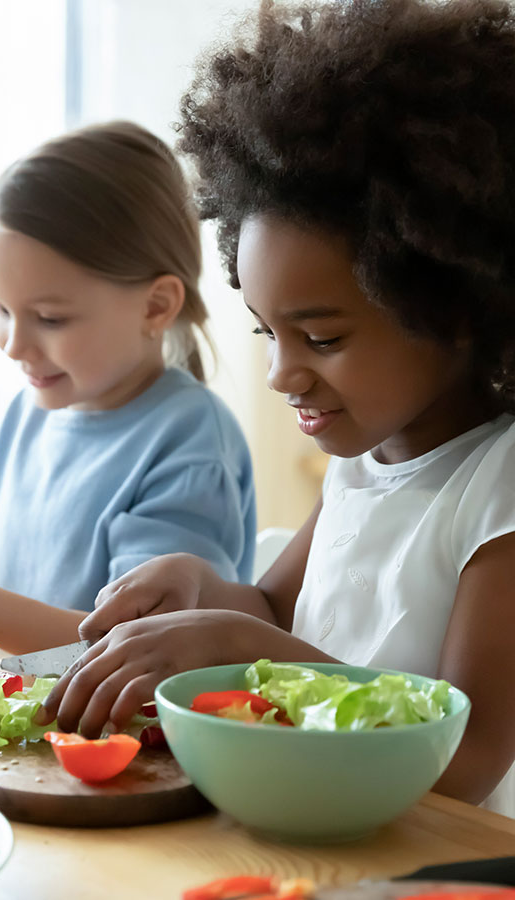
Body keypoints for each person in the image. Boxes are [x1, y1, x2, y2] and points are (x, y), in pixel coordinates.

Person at [38, 0, 515, 816]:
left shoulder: (496, 489)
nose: (279, 373)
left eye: (321, 339)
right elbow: (270, 609)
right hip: (320, 829)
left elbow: (464, 761)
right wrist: (204, 593)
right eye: (266, 332)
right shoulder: (364, 464)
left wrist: (251, 651)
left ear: (458, 308)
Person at [0, 121, 256, 654]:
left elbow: (139, 647)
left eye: (49, 318)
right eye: (1, 309)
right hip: (23, 728)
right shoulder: (26, 417)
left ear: (155, 306)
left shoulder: (187, 443)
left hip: (124, 735)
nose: (13, 344)